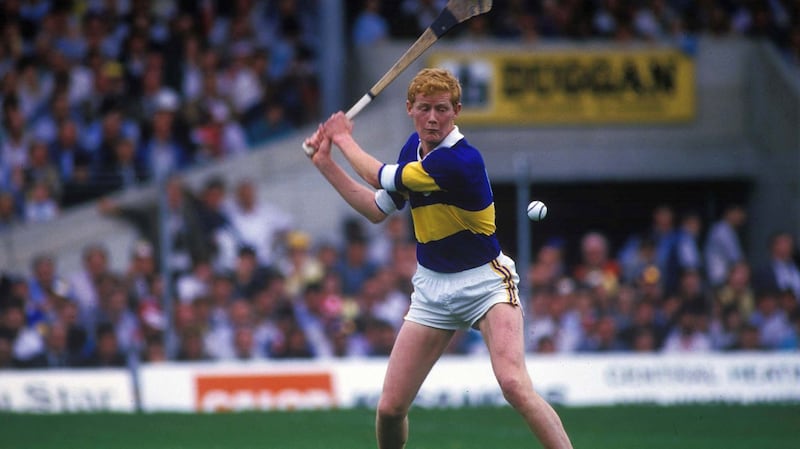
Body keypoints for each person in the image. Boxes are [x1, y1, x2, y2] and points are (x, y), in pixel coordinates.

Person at [304, 68, 573, 449]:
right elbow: (377, 208)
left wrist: (343, 136)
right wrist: (326, 163)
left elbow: (379, 177)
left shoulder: (459, 161)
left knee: (513, 384)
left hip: (486, 283)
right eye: (425, 108)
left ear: (457, 111)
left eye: (443, 109)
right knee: (390, 409)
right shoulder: (410, 151)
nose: (434, 118)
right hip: (432, 289)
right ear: (410, 109)